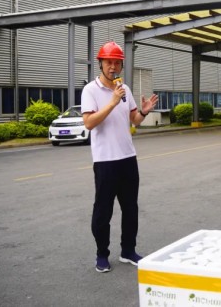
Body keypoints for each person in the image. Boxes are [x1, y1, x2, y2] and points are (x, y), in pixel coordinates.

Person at [81, 41, 159, 273]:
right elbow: (89, 123)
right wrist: (113, 102)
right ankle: (102, 254)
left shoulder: (124, 89)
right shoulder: (90, 90)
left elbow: (134, 120)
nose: (113, 67)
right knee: (103, 211)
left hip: (128, 158)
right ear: (101, 63)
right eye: (109, 62)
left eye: (117, 63)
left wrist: (143, 111)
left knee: (130, 209)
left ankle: (128, 251)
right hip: (105, 161)